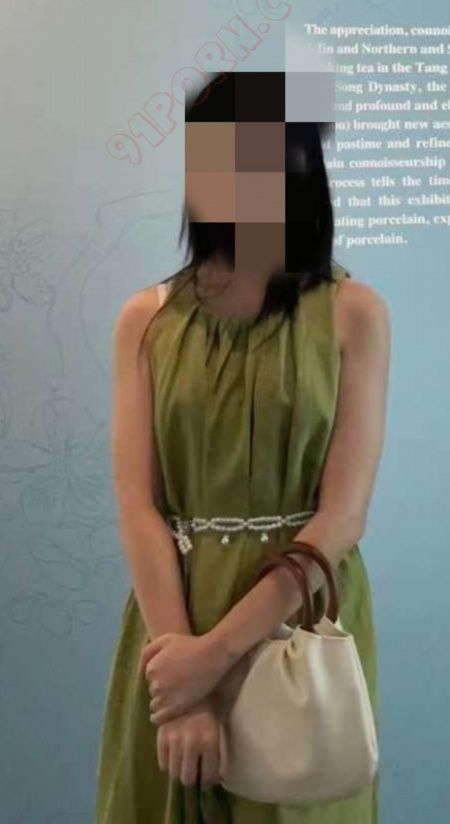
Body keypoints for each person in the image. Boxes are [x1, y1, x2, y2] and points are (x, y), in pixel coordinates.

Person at [95, 73, 391, 823]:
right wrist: (183, 688)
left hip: (301, 617)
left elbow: (341, 519)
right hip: (174, 618)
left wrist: (215, 657)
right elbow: (137, 506)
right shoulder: (146, 320)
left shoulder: (354, 314)